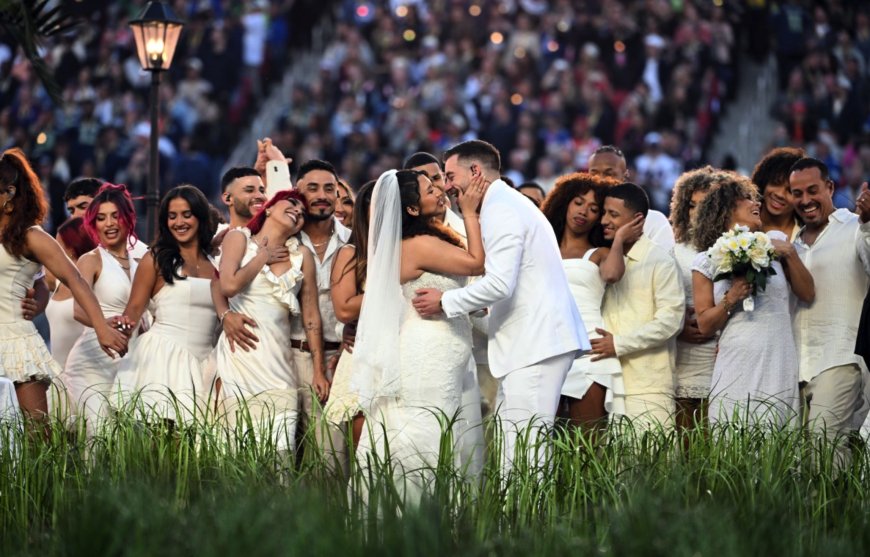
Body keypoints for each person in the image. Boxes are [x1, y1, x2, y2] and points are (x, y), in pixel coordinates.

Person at [413, 140, 587, 470]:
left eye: (450, 176)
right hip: (531, 342)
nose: (447, 186)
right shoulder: (505, 203)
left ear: (475, 171)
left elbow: (499, 283)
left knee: (527, 453)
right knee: (515, 449)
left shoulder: (501, 208)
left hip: (536, 343)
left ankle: (529, 507)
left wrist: (445, 301)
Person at [352, 168, 486, 502]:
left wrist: (460, 302)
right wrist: (470, 213)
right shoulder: (418, 244)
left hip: (437, 346)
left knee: (433, 431)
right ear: (412, 208)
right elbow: (476, 264)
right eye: (430, 190)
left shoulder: (419, 240)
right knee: (422, 436)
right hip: (429, 349)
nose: (440, 191)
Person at [0, 149, 126, 421]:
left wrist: (101, 327)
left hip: (15, 342)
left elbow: (74, 279)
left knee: (37, 434)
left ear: (9, 193)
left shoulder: (31, 237)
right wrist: (38, 299)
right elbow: (40, 286)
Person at [692, 173, 813, 427]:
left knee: (777, 434)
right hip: (737, 358)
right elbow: (704, 325)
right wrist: (732, 297)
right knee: (733, 433)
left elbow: (808, 293)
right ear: (726, 209)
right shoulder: (706, 259)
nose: (756, 203)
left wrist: (790, 253)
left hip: (778, 356)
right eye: (746, 199)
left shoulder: (777, 242)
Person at [215, 190, 327, 453]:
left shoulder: (302, 256)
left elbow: (311, 315)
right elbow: (227, 285)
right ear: (268, 208)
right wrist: (262, 257)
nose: (298, 211)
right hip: (239, 360)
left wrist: (319, 370)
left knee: (280, 456)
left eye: (302, 213)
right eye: (292, 203)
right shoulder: (238, 238)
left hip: (279, 367)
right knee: (233, 455)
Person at [541, 173, 640, 433]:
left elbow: (612, 274)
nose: (584, 212)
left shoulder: (600, 253)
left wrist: (618, 240)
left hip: (588, 351)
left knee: (587, 441)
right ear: (564, 203)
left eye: (594, 209)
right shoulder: (542, 247)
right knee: (542, 440)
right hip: (545, 348)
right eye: (578, 202)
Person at [113, 186, 218, 424]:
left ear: (200, 217)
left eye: (186, 215)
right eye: (172, 216)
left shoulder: (216, 262)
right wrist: (115, 331)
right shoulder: (156, 259)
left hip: (205, 362)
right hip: (164, 359)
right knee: (164, 438)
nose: (179, 222)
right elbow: (133, 311)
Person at [789, 157, 870, 468]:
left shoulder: (854, 227)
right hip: (797, 363)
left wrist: (869, 224)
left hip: (840, 356)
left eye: (813, 190)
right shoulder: (792, 244)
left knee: (825, 442)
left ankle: (835, 501)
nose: (805, 200)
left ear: (830, 187)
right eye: (798, 193)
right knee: (800, 457)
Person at [592, 183, 684, 429]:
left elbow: (671, 321)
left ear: (637, 220)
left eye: (613, 214)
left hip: (648, 385)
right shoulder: (604, 259)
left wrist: (618, 344)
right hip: (608, 380)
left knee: (651, 454)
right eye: (604, 213)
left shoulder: (660, 261)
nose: (604, 221)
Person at [57, 183, 147, 433]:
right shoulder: (91, 260)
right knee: (97, 437)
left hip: (131, 361)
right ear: (93, 224)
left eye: (115, 216)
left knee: (128, 443)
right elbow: (78, 309)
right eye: (101, 218)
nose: (109, 224)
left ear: (128, 218)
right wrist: (103, 325)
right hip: (92, 362)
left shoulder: (143, 259)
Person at [288, 160, 350, 443]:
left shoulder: (355, 240)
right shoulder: (282, 241)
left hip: (339, 359)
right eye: (312, 188)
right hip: (287, 357)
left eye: (329, 188)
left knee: (331, 457)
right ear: (297, 192)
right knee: (283, 454)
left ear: (337, 194)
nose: (322, 195)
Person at [326, 181, 375, 466]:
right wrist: (389, 292)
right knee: (363, 455)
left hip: (400, 349)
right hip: (362, 352)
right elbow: (344, 308)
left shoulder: (407, 250)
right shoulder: (351, 252)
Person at [668, 167, 721, 430]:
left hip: (722, 353)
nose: (696, 212)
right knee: (686, 438)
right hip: (684, 355)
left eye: (704, 204)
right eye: (691, 205)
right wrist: (679, 328)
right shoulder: (673, 250)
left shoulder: (734, 246)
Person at [587, 145, 676, 250]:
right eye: (594, 174)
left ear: (625, 176)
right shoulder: (582, 218)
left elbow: (664, 258)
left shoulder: (653, 221)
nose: (601, 180)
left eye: (609, 174)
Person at [45, 218, 96, 368]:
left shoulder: (94, 280)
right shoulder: (57, 280)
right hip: (58, 371)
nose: (53, 250)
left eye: (58, 245)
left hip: (88, 369)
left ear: (72, 249)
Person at [750, 147, 805, 240]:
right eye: (775, 183)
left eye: (790, 191)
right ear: (764, 182)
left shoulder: (809, 235)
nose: (780, 194)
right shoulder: (741, 224)